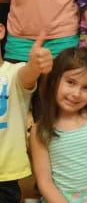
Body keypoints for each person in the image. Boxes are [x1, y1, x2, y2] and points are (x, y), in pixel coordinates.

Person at [30, 47, 87, 202]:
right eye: (71, 82)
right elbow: (45, 183)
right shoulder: (40, 130)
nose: (76, 94)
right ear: (54, 81)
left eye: (86, 88)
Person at [0, 25, 52, 203]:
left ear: (0, 31)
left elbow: (27, 75)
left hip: (5, 178)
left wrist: (35, 66)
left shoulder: (13, 73)